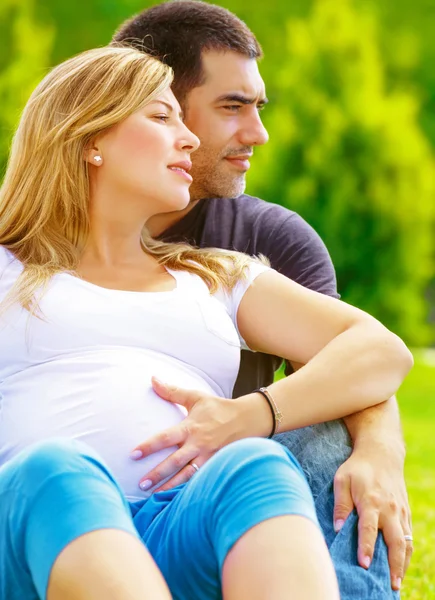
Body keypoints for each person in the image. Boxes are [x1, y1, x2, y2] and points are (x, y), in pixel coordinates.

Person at [0, 46, 413, 600]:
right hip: (38, 529)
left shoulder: (213, 275)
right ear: (90, 139)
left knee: (255, 464)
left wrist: (250, 415)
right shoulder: (8, 264)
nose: (190, 138)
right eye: (162, 116)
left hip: (182, 526)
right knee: (55, 470)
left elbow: (381, 351)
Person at [112, 1, 413, 596]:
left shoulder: (267, 242)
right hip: (92, 487)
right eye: (232, 107)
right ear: (153, 108)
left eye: (258, 106)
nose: (259, 132)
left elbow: (358, 364)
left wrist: (381, 449)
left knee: (334, 434)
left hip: (232, 495)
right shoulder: (31, 241)